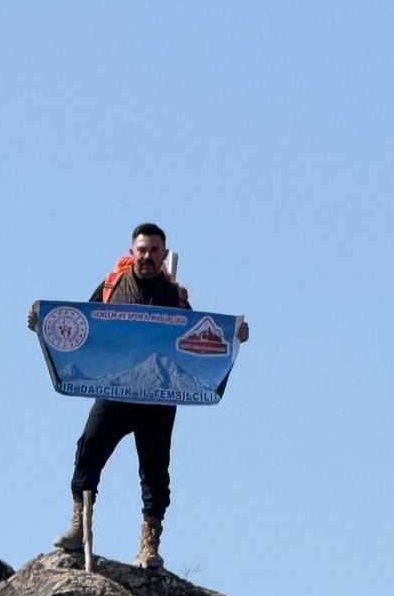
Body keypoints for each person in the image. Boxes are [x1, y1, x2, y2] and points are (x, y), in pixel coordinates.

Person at [27, 222, 248, 569]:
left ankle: (149, 544)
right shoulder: (112, 286)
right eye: (141, 250)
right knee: (89, 448)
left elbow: (201, 342)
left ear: (163, 254)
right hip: (115, 390)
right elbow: (82, 325)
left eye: (153, 250)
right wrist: (45, 323)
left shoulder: (175, 296)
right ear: (132, 252)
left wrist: (235, 336)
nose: (147, 256)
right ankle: (79, 525)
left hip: (158, 395)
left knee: (155, 471)